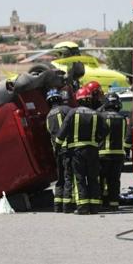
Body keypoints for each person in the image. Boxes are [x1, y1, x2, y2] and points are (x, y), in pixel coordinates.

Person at [56, 87, 107, 215]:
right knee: (93, 178)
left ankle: (83, 207)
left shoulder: (72, 113)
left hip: (76, 152)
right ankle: (95, 207)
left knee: (79, 178)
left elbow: (62, 132)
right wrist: (97, 141)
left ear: (78, 100)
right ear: (89, 100)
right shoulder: (96, 114)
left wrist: (57, 148)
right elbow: (106, 130)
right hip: (93, 151)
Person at [97, 93, 130, 211]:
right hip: (118, 155)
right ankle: (114, 204)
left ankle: (100, 203)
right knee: (115, 180)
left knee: (101, 179)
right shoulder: (123, 118)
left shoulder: (101, 116)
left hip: (103, 154)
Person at [45, 88, 73, 213]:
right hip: (68, 148)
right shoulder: (66, 110)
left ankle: (57, 206)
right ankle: (67, 205)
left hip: (57, 151)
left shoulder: (48, 116)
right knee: (68, 176)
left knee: (60, 178)